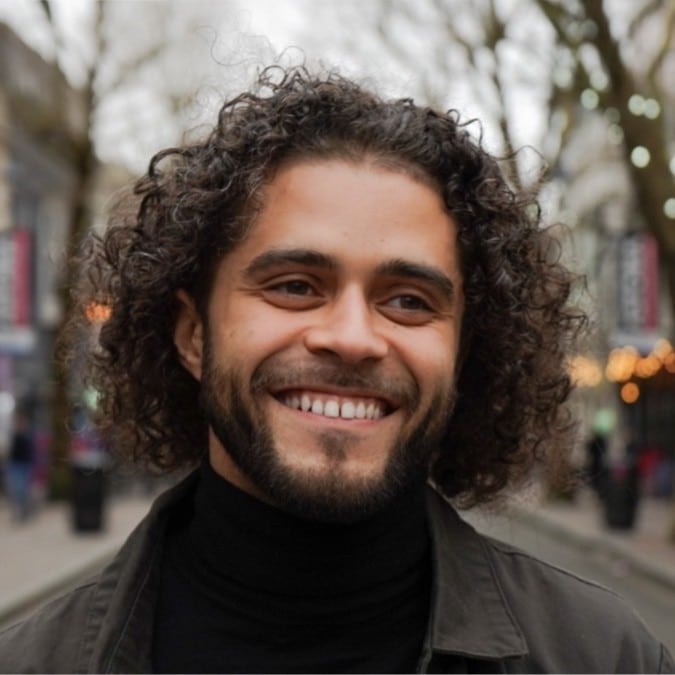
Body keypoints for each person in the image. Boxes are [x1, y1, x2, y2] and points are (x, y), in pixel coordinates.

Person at [0, 66, 671, 674]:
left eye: (408, 301)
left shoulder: (604, 656)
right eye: (294, 285)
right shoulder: (35, 662)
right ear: (193, 335)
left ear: (465, 353)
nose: (352, 338)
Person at [5, 408, 34, 523]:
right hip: (15, 465)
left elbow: (30, 452)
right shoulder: (13, 434)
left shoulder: (27, 435)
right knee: (16, 490)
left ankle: (23, 512)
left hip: (24, 465)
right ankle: (18, 512)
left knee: (23, 490)